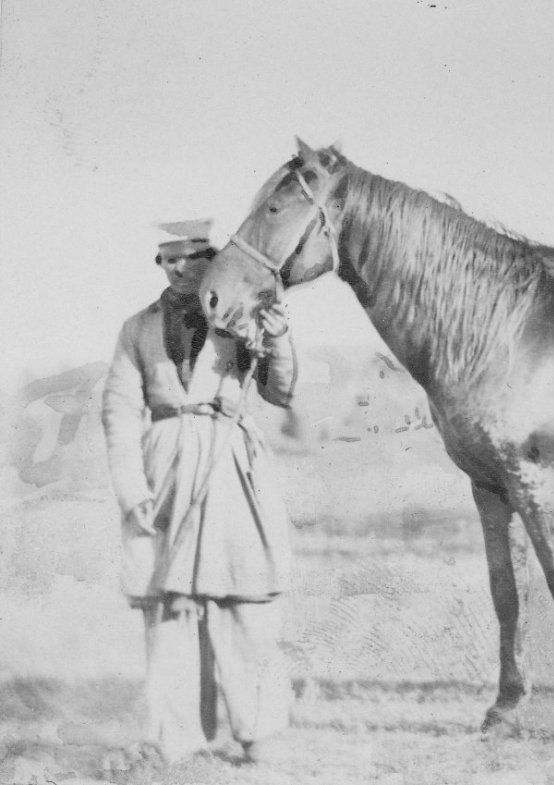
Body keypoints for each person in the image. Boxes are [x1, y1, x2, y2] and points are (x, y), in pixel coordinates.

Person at [102, 219, 299, 764]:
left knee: (243, 598)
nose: (181, 268)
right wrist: (131, 490)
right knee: (169, 604)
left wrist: (278, 337)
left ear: (213, 261)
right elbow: (118, 411)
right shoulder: (136, 328)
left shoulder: (244, 317)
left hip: (229, 460)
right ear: (160, 265)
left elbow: (280, 391)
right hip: (163, 466)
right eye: (169, 260)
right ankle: (174, 738)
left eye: (193, 258)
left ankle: (258, 733)